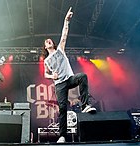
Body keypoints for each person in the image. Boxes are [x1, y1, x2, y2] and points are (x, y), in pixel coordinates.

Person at [42, 7, 96, 143]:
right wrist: (51, 77)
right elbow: (45, 74)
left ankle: (85, 106)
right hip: (59, 84)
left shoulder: (60, 49)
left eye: (49, 40)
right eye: (46, 41)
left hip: (69, 79)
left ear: (53, 44)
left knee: (82, 76)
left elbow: (64, 34)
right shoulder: (46, 60)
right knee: (62, 108)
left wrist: (66, 20)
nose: (48, 41)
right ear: (45, 47)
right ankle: (62, 136)